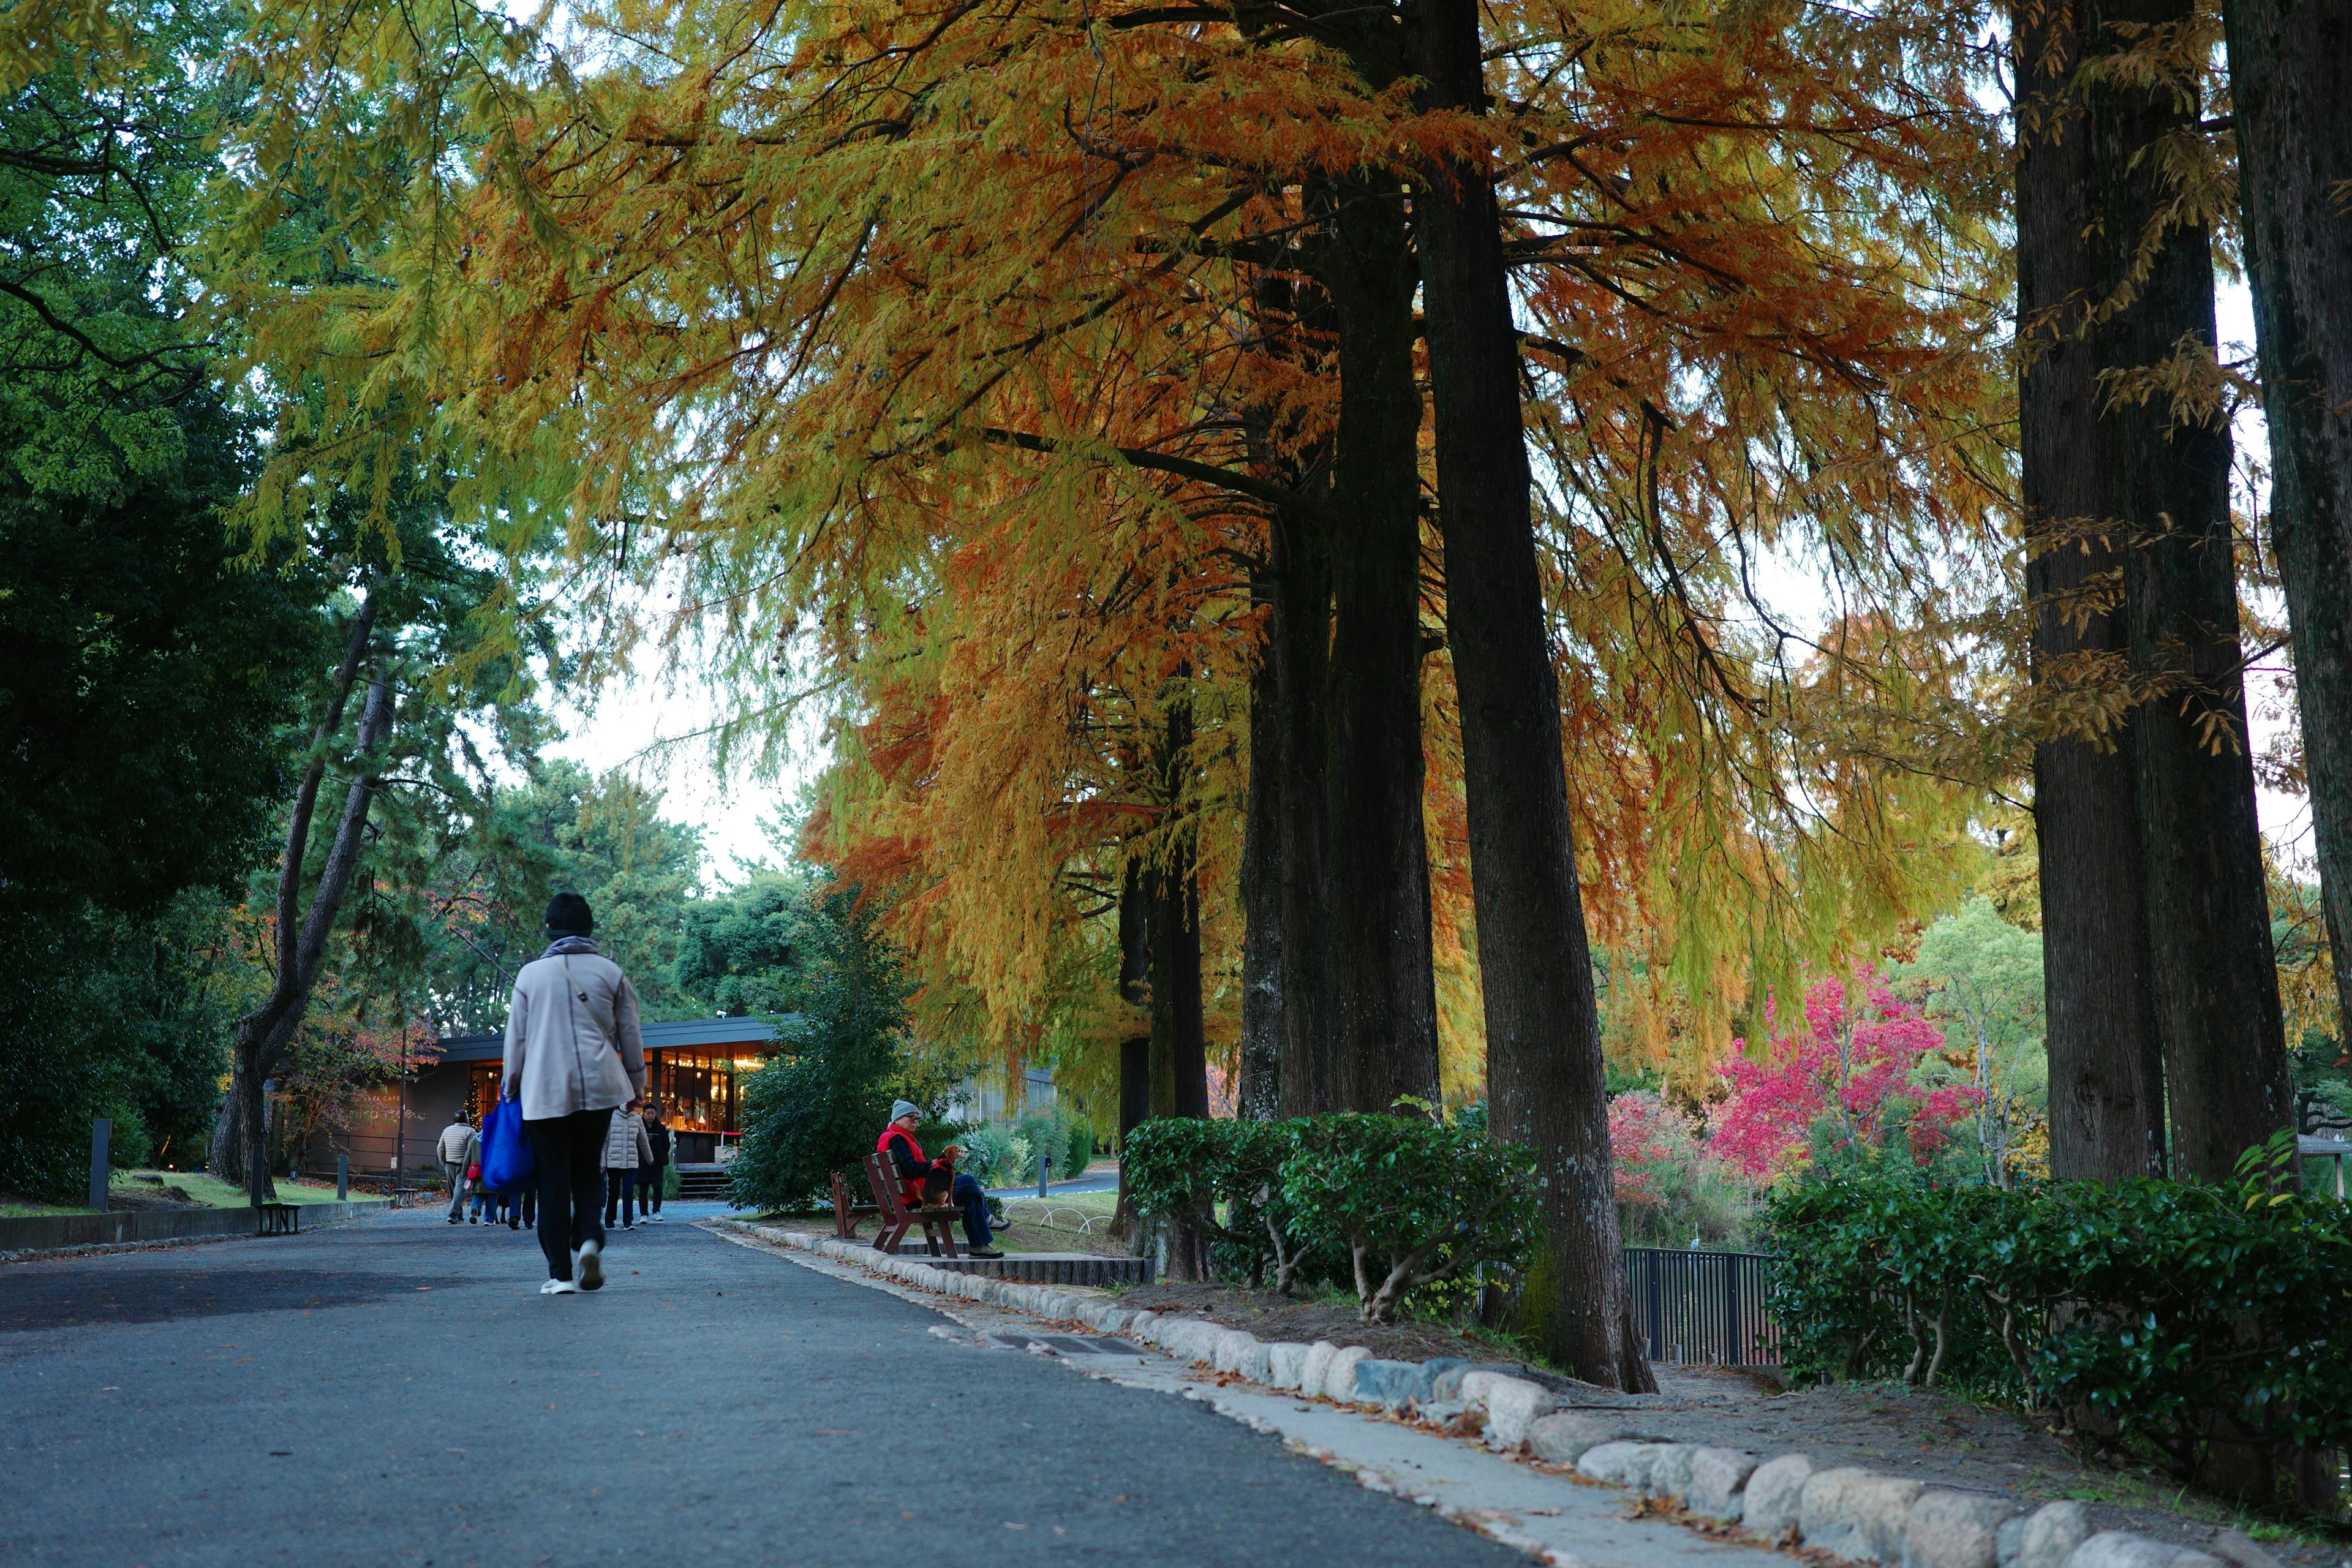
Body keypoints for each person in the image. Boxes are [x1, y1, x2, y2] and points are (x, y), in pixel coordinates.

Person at [503, 891, 645, 1295]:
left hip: (544, 1091)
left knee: (552, 1178)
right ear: (590, 928)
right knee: (587, 1169)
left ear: (548, 928)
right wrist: (636, 1085)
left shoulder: (530, 975)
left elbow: (517, 1040)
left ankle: (560, 1275)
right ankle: (588, 1240)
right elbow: (631, 1035)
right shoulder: (611, 973)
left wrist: (511, 1085)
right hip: (600, 1087)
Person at [878, 1101, 1001, 1257]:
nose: (915, 1121)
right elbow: (909, 1169)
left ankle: (979, 1246)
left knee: (970, 1197)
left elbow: (907, 1167)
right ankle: (987, 1222)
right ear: (897, 1120)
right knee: (968, 1181)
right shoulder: (897, 1139)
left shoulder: (891, 1137)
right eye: (911, 1117)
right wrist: (933, 1165)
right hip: (923, 1195)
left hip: (914, 1192)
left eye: (917, 1118)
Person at [603, 1098, 654, 1231]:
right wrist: (602, 1162)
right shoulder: (611, 1117)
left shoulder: (637, 1119)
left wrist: (649, 1158)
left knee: (628, 1191)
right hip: (613, 1162)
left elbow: (643, 1140)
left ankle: (628, 1222)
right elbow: (605, 1142)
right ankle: (610, 1220)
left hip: (631, 1162)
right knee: (614, 1192)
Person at [437, 1113, 478, 1225]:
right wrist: (471, 1166)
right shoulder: (470, 1132)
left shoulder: (447, 1130)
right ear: (466, 1119)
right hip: (463, 1165)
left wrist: (444, 1162)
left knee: (453, 1191)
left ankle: (459, 1215)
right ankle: (452, 1214)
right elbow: (471, 1151)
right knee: (460, 1191)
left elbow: (440, 1148)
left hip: (449, 1164)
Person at [641, 1109, 671, 1222]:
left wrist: (661, 1155)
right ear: (643, 1114)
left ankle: (656, 1211)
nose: (650, 1115)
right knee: (643, 1188)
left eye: (652, 1113)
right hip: (642, 1161)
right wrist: (645, 1141)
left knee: (658, 1186)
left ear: (656, 1114)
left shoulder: (661, 1128)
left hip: (657, 1162)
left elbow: (667, 1144)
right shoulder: (639, 1126)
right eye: (648, 1113)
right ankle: (643, 1214)